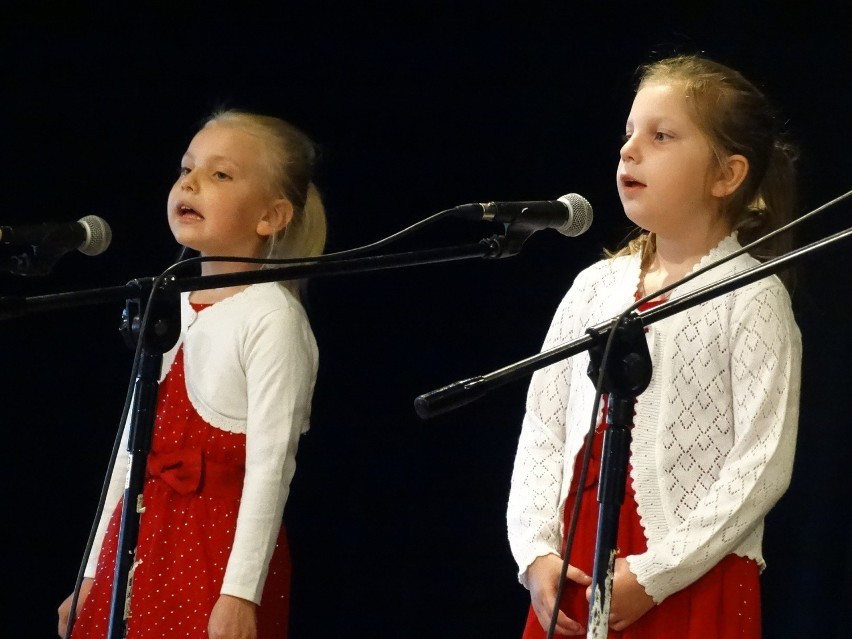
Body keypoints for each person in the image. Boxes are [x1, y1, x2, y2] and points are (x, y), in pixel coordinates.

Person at [506, 54, 802, 638]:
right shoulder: (594, 288)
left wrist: (658, 573)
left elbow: (762, 462)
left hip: (688, 569)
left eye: (661, 136)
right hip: (579, 559)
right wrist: (536, 550)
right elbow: (542, 428)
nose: (628, 151)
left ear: (727, 174)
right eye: (629, 134)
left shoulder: (751, 296)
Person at [58, 110, 327, 639]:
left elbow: (272, 466)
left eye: (220, 174)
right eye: (187, 168)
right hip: (138, 542)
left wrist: (240, 593)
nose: (190, 182)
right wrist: (90, 574)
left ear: (271, 216)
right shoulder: (169, 303)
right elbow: (127, 456)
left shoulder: (272, 317)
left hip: (216, 552)